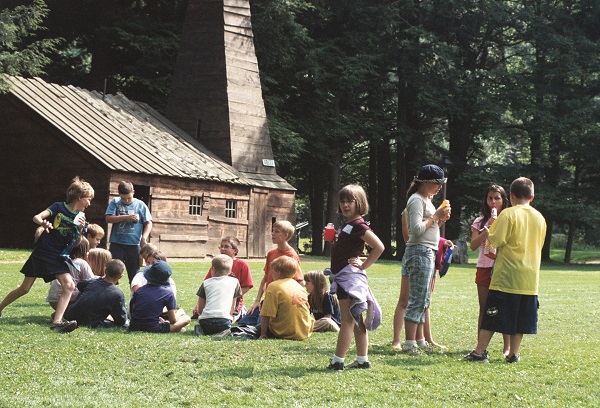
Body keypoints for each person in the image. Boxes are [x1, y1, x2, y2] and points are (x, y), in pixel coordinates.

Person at [464, 177, 546, 363]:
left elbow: (495, 240)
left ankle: (479, 352)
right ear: (532, 196)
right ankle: (513, 354)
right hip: (530, 278)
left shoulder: (508, 215)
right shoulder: (540, 218)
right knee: (520, 319)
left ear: (511, 195)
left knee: (491, 314)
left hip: (507, 275)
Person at [0, 176, 94, 333]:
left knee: (69, 285)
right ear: (79, 197)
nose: (90, 203)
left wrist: (79, 230)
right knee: (25, 288)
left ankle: (57, 322)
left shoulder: (81, 218)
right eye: (88, 199)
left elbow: (76, 244)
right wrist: (43, 223)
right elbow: (36, 217)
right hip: (43, 252)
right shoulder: (58, 207)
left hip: (59, 255)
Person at [326, 184, 385, 371]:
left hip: (349, 277)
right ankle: (362, 359)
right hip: (344, 276)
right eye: (342, 201)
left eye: (349, 201)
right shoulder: (347, 224)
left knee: (347, 320)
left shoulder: (359, 225)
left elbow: (379, 247)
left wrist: (364, 264)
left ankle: (337, 361)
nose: (345, 205)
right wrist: (332, 240)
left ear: (359, 202)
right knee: (356, 318)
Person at [397, 165, 451, 355]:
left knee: (424, 298)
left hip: (428, 250)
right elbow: (417, 231)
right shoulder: (416, 200)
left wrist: (440, 219)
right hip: (419, 251)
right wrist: (436, 215)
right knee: (417, 298)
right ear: (424, 182)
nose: (439, 187)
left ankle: (419, 340)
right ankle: (409, 343)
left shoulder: (426, 200)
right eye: (436, 183)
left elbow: (428, 227)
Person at [391, 210, 450, 351]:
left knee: (424, 301)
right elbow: (409, 238)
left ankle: (425, 338)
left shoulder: (429, 209)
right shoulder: (409, 211)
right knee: (405, 300)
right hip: (414, 257)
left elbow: (430, 234)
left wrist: (440, 222)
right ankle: (396, 340)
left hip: (429, 256)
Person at [469, 184, 510, 356]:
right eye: (490, 198)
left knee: (505, 306)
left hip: (502, 266)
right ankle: (481, 345)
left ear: (503, 200)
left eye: (497, 198)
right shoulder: (479, 221)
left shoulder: (508, 218)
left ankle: (507, 346)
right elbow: (473, 246)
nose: (493, 202)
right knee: (484, 307)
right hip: (484, 267)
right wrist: (487, 230)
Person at [248, 220, 303, 315]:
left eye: (276, 231)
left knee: (261, 325)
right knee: (246, 320)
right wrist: (257, 301)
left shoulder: (291, 255)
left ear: (285, 235)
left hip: (282, 300)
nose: (272, 234)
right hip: (269, 298)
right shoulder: (271, 253)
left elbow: (299, 281)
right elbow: (265, 278)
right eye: (272, 231)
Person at [194, 237, 253, 322]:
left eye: (226, 247)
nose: (222, 249)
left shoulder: (241, 264)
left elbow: (247, 286)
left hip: (234, 299)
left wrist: (229, 295)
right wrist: (198, 305)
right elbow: (207, 285)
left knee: (231, 316)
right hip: (216, 297)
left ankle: (240, 313)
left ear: (235, 251)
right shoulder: (217, 264)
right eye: (221, 247)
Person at [105, 181, 153, 283]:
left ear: (133, 192)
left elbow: (148, 223)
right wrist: (126, 217)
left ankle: (135, 297)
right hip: (117, 243)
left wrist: (144, 238)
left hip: (134, 245)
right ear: (119, 195)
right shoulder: (115, 202)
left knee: (134, 275)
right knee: (113, 273)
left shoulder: (140, 205)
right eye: (123, 198)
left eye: (129, 198)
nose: (126, 201)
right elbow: (108, 218)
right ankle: (112, 296)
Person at [259, 256, 313, 340]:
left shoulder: (273, 286)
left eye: (272, 271)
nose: (271, 274)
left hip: (284, 332)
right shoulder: (299, 287)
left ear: (278, 273)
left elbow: (266, 314)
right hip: (304, 332)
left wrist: (263, 334)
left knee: (256, 326)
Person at [129, 260, 190, 333]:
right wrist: (180, 313)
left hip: (134, 326)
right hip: (154, 328)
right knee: (186, 318)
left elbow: (134, 310)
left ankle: (177, 329)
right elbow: (173, 320)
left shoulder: (139, 291)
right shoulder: (168, 293)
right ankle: (176, 329)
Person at [64, 259, 128, 328]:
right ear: (120, 276)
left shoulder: (90, 282)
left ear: (105, 270)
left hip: (70, 316)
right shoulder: (118, 294)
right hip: (90, 322)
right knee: (125, 324)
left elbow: (80, 284)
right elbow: (121, 320)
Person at [194, 254, 242, 336]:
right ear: (230, 271)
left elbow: (200, 308)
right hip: (224, 321)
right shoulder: (235, 282)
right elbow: (233, 306)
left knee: (203, 327)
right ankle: (224, 331)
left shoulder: (206, 283)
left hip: (205, 321)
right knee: (233, 319)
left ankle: (201, 331)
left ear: (213, 270)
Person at [46, 236, 94, 310]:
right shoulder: (81, 263)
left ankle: (63, 314)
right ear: (84, 250)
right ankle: (69, 314)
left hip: (53, 300)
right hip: (69, 301)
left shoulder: (60, 262)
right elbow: (92, 282)